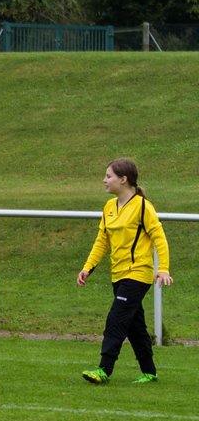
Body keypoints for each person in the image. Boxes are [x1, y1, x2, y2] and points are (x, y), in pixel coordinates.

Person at [77, 158, 172, 384]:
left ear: (123, 179)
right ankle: (149, 372)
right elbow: (102, 241)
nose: (104, 180)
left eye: (108, 176)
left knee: (116, 320)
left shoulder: (142, 207)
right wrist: (87, 267)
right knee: (134, 326)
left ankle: (104, 370)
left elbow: (160, 238)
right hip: (118, 275)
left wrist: (163, 269)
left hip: (138, 274)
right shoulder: (109, 207)